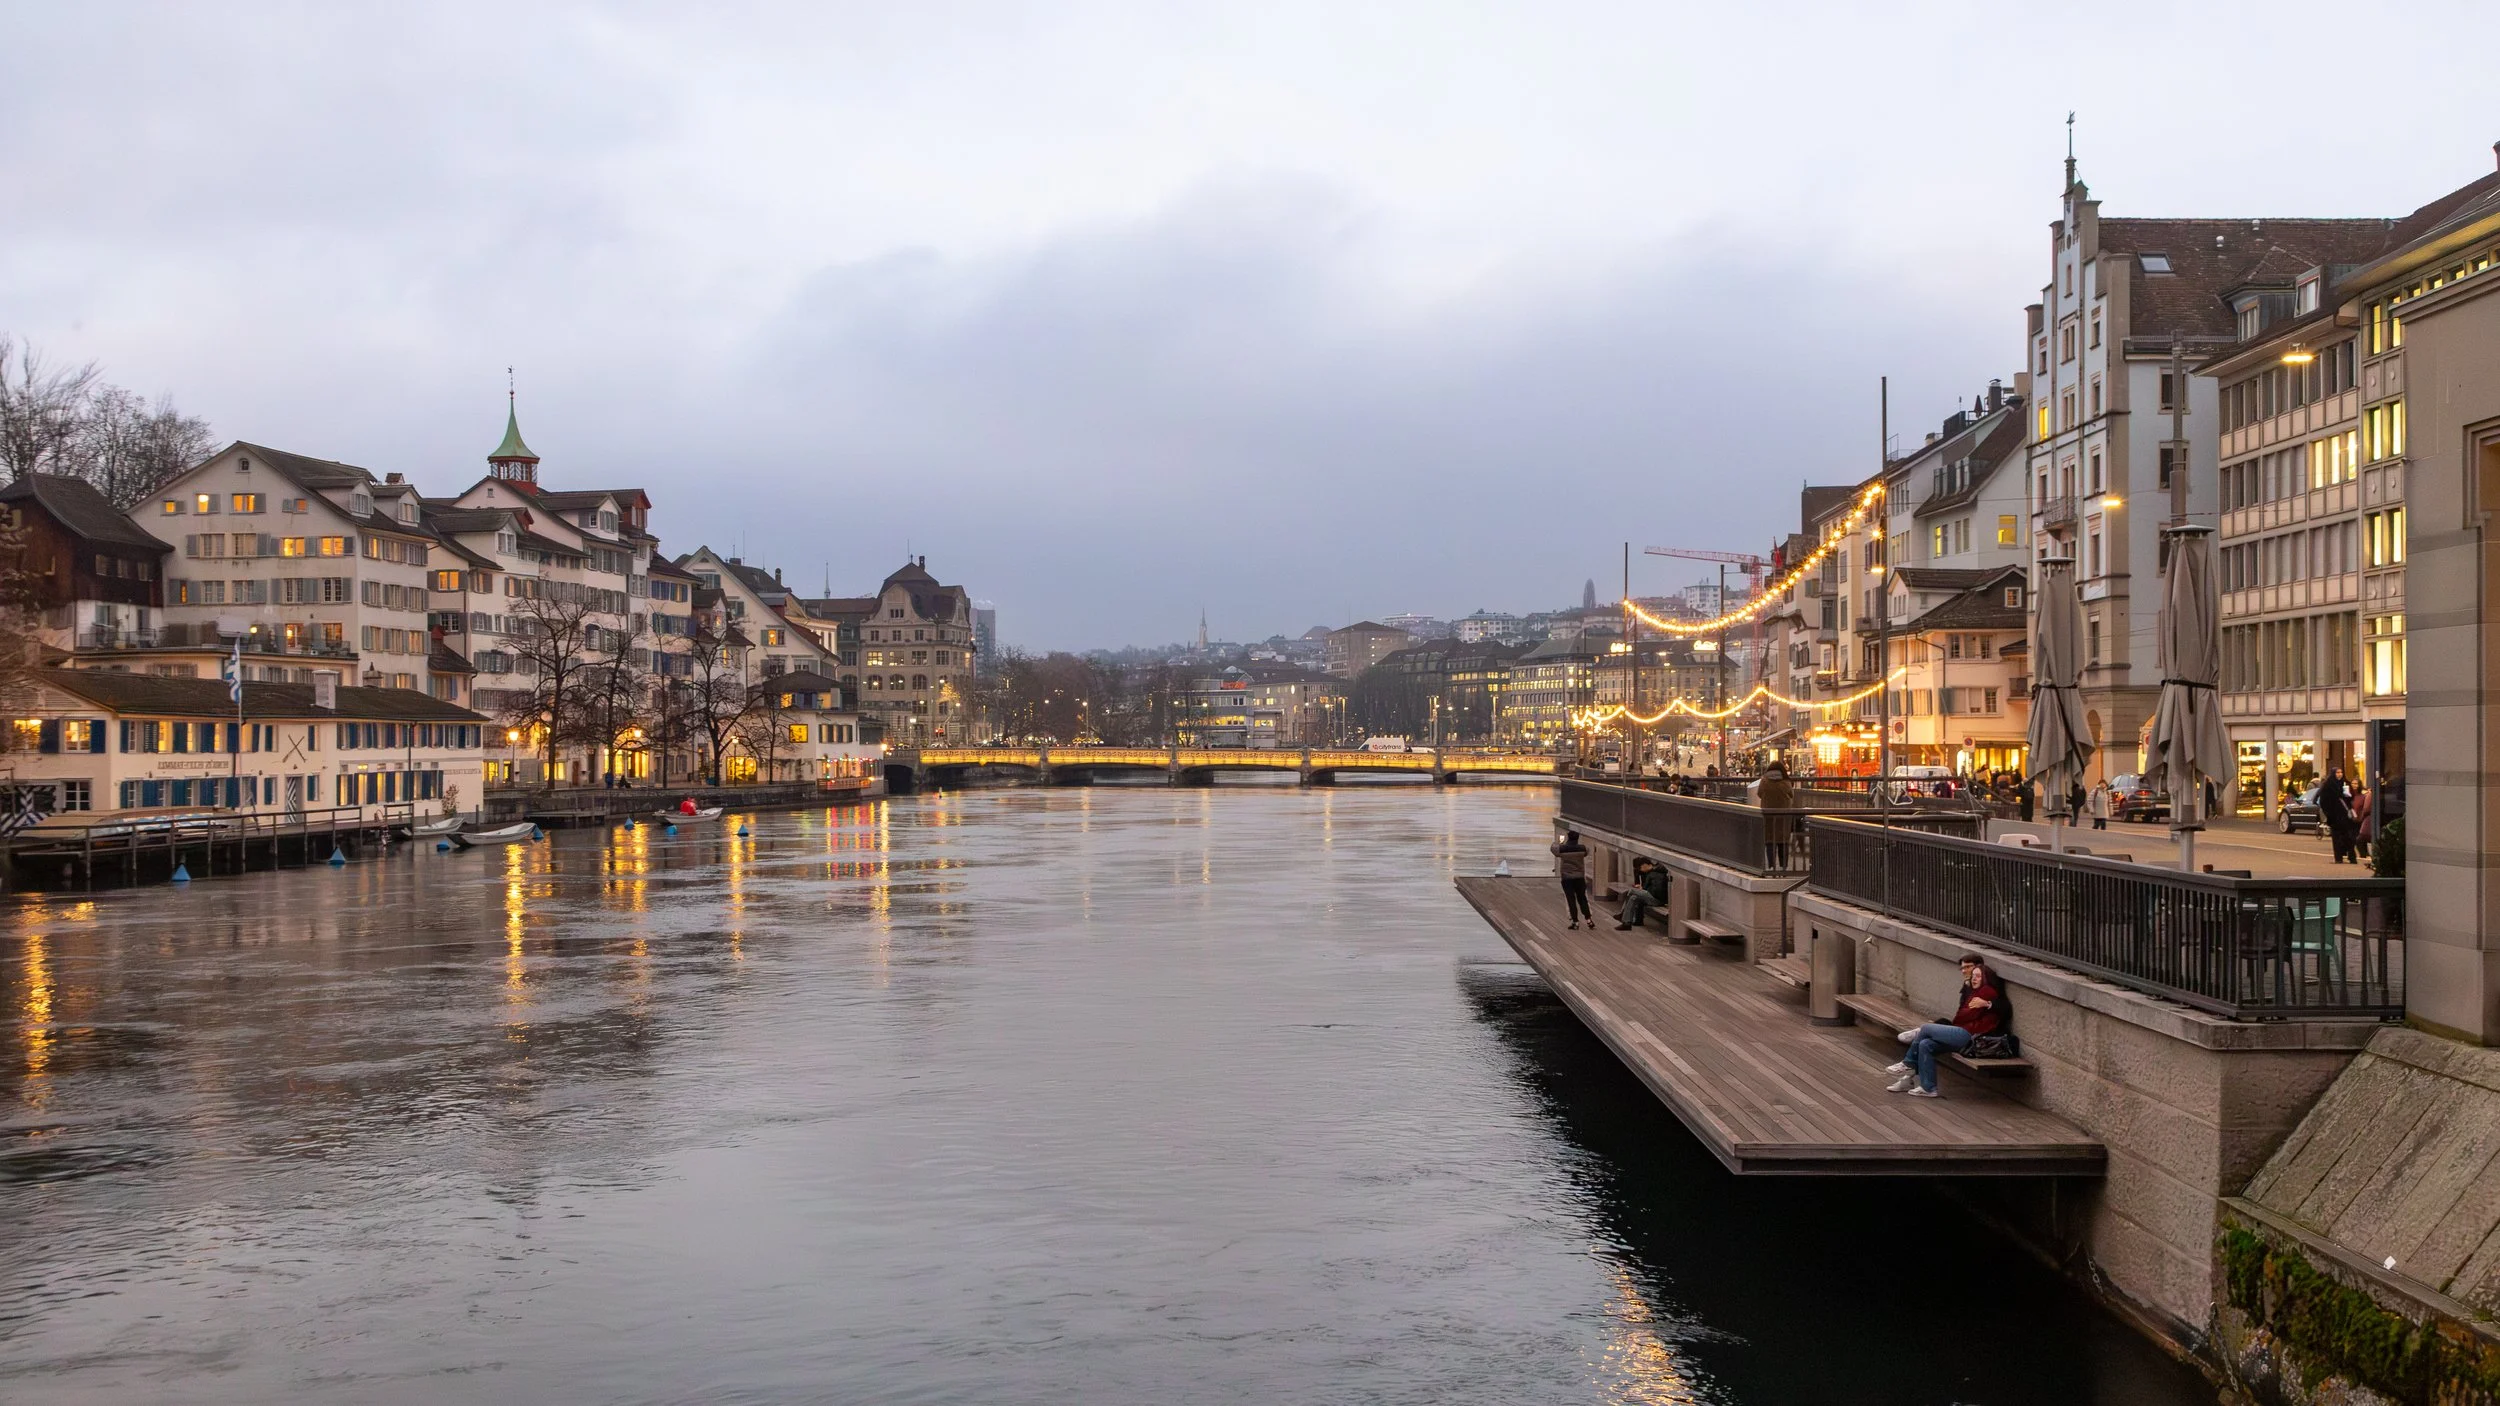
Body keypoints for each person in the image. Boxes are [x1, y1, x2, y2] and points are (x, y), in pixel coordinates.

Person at [1886, 954, 2010, 1097]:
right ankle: (1928, 1088)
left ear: (1984, 973)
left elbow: (1969, 1015)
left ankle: (1907, 1064)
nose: (1966, 973)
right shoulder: (1969, 987)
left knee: (1926, 1029)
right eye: (1963, 968)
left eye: (1970, 969)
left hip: (1973, 1038)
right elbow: (1961, 1015)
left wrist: (1987, 1004)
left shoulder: (1987, 991)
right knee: (1925, 1044)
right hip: (1963, 1032)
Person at [1757, 763, 1797, 870]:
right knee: (1783, 841)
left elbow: (1759, 793)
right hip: (1784, 815)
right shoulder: (1786, 782)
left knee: (1770, 841)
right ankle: (1783, 866)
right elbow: (1791, 795)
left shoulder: (1764, 781)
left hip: (1768, 814)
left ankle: (1771, 866)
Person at [1613, 857, 1672, 930]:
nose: (1640, 870)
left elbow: (1657, 891)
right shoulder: (1651, 872)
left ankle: (1622, 914)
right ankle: (1627, 923)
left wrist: (1643, 889)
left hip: (1657, 899)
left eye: (1640, 868)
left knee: (1632, 891)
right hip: (1653, 897)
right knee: (1633, 897)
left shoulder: (1657, 874)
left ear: (1645, 865)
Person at [1551, 828, 1592, 929]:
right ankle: (1589, 919)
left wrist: (1559, 842)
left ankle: (1575, 922)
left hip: (1567, 878)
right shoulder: (1582, 849)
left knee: (1571, 899)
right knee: (1582, 898)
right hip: (1580, 877)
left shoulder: (1563, 849)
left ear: (1569, 838)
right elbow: (1588, 851)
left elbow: (1553, 849)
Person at [2317, 768, 2359, 864]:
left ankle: (2352, 857)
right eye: (2337, 772)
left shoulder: (2344, 784)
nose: (2339, 774)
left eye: (2341, 772)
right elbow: (2324, 801)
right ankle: (2339, 858)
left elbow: (2350, 798)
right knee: (2337, 838)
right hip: (2335, 816)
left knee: (2348, 837)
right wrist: (2329, 814)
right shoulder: (2328, 786)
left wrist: (2348, 795)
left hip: (2344, 815)